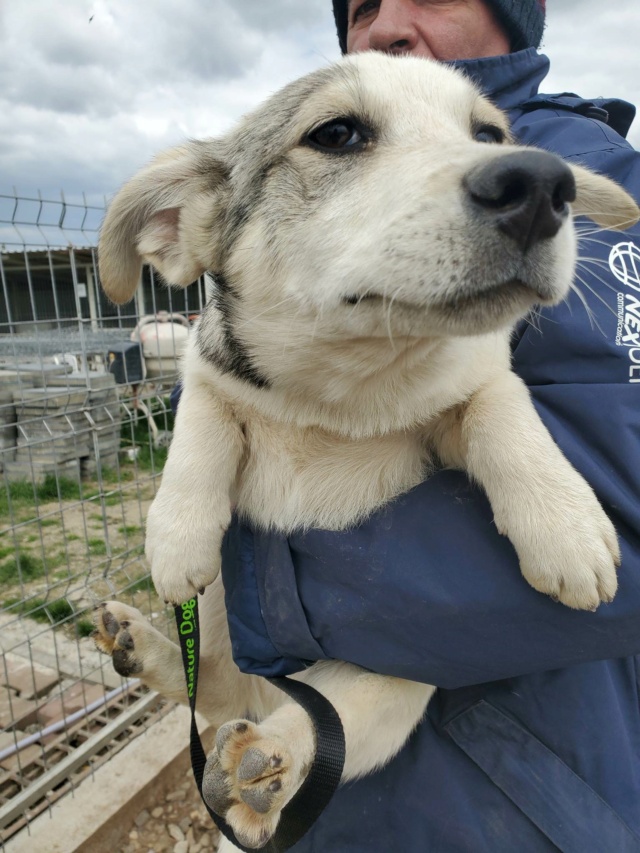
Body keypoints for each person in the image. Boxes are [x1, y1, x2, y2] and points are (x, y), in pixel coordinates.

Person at [217, 1, 640, 849]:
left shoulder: (577, 169)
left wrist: (252, 576)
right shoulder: (282, 170)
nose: (386, 25)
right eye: (362, 6)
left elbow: (624, 515)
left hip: (511, 805)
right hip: (335, 804)